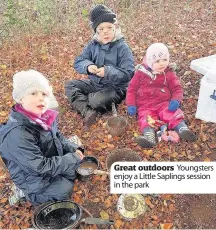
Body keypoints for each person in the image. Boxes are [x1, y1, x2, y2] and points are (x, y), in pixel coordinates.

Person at [0, 70, 84, 205]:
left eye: (44, 94)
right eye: (33, 93)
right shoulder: (18, 134)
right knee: (65, 190)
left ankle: (60, 174)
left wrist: (73, 148)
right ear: (21, 98)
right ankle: (25, 193)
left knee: (72, 173)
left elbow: (57, 136)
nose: (41, 98)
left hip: (45, 160)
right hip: (31, 176)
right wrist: (71, 158)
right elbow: (39, 167)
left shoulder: (44, 116)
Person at [65, 4, 135, 127]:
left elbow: (128, 74)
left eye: (109, 27)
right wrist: (88, 66)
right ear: (96, 31)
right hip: (95, 83)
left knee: (95, 100)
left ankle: (87, 103)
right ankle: (88, 111)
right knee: (70, 85)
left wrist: (107, 72)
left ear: (115, 28)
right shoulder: (93, 44)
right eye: (101, 29)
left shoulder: (122, 47)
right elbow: (79, 61)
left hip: (115, 87)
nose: (105, 31)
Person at [126, 43, 196, 148]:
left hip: (163, 103)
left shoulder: (168, 73)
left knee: (171, 113)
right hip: (146, 105)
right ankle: (149, 137)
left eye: (164, 60)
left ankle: (182, 129)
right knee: (146, 118)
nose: (162, 64)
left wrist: (176, 100)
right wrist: (131, 104)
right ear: (150, 62)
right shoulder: (140, 74)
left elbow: (177, 88)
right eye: (157, 61)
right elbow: (131, 90)